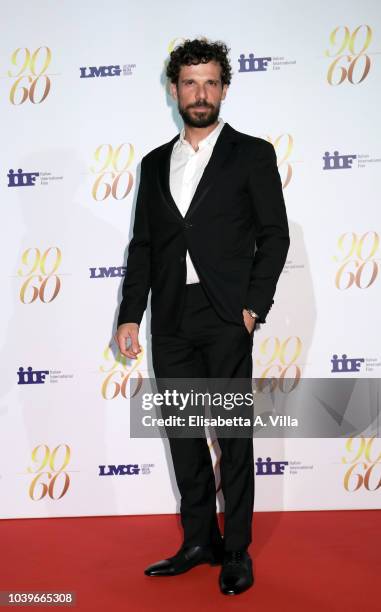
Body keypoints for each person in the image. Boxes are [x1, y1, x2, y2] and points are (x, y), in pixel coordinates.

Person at [115, 38, 290, 596]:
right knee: (185, 437)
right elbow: (143, 246)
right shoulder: (153, 162)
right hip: (170, 318)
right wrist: (128, 315)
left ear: (224, 89)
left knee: (232, 438)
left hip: (224, 317)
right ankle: (198, 541)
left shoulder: (252, 154)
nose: (201, 93)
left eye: (211, 82)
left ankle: (236, 550)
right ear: (174, 90)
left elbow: (275, 237)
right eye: (191, 82)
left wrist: (251, 309)